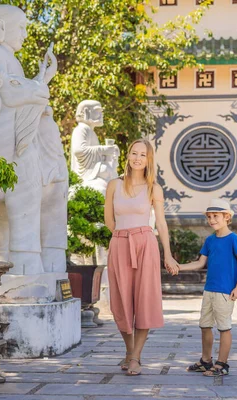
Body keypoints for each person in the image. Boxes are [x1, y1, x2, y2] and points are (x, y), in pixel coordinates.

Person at [104, 138, 179, 376]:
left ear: (149, 160)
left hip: (145, 244)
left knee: (144, 300)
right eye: (134, 153)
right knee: (121, 301)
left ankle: (135, 357)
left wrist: (168, 254)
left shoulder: (153, 188)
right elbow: (109, 219)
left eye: (143, 155)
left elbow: (161, 224)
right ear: (128, 156)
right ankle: (129, 351)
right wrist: (120, 238)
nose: (137, 158)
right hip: (119, 243)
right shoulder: (114, 185)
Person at [179, 199, 237, 377]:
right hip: (209, 290)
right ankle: (205, 361)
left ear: (227, 217)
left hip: (225, 291)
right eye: (209, 217)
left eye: (215, 216)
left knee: (224, 327)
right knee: (205, 325)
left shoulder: (234, 239)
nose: (211, 220)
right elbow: (200, 263)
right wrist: (178, 267)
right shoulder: (209, 240)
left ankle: (222, 364)